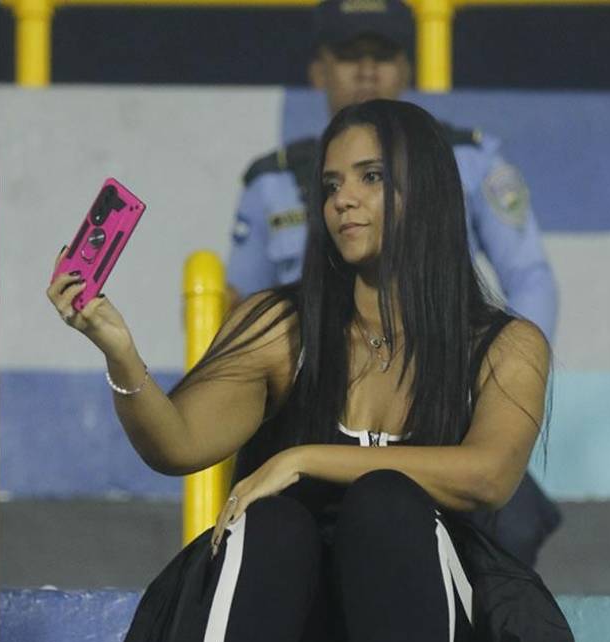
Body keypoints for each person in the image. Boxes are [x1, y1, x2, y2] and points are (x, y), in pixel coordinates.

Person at [46, 100, 583, 642]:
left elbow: (489, 476)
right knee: (274, 522)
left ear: (425, 190)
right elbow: (175, 444)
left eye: (369, 178)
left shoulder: (504, 344)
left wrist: (303, 458)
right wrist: (120, 353)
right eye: (330, 186)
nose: (343, 201)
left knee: (387, 505)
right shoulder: (280, 326)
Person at [228, 0, 564, 566]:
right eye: (349, 56)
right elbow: (239, 310)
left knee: (505, 538)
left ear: (407, 69)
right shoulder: (275, 179)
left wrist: (497, 389)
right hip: (311, 409)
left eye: (382, 56)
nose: (366, 72)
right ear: (318, 71)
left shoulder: (468, 160)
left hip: (437, 405)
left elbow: (530, 278)